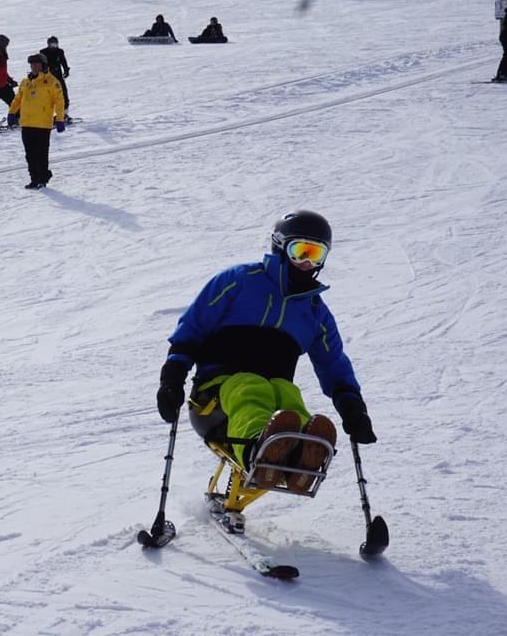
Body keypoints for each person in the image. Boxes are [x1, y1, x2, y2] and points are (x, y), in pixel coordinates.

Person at [156, 211, 377, 493]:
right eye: (300, 252)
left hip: (273, 404)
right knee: (252, 386)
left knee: (288, 395)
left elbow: (333, 363)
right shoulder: (237, 282)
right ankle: (257, 453)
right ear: (280, 247)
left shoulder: (315, 313)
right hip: (215, 399)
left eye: (316, 255)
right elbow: (192, 329)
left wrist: (353, 408)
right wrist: (172, 379)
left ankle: (299, 456)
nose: (307, 263)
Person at [7, 54, 65, 189]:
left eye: (36, 64)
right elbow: (18, 99)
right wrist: (12, 112)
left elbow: (59, 101)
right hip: (26, 123)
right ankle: (34, 178)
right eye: (32, 64)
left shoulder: (52, 82)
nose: (34, 67)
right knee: (30, 154)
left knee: (41, 153)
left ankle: (42, 178)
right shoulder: (25, 81)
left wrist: (60, 119)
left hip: (42, 124)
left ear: (43, 65)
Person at [40, 36, 72, 122]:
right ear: (48, 44)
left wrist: (66, 70)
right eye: (52, 44)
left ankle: (64, 114)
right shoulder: (43, 52)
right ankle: (46, 115)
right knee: (47, 96)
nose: (54, 46)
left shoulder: (60, 52)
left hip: (58, 76)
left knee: (63, 94)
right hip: (47, 77)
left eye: (55, 44)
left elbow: (63, 61)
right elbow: (40, 65)